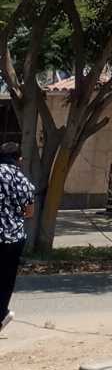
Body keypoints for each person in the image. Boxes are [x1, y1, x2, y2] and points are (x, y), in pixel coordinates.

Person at [0, 137, 37, 333]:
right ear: (19, 159)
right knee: (6, 278)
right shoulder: (23, 180)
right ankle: (1, 314)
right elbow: (29, 212)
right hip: (13, 238)